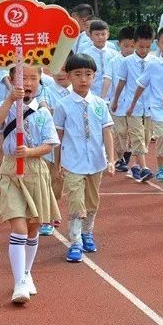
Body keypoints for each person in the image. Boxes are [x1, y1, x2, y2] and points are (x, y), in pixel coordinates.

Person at [0, 64, 60, 304]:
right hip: (11, 171)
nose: (28, 83)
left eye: (33, 78)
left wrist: (30, 152)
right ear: (11, 81)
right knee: (18, 227)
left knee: (33, 228)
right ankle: (18, 281)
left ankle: (28, 273)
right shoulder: (7, 108)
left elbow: (50, 143)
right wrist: (10, 100)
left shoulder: (42, 111)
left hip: (35, 170)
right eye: (22, 78)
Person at [54, 54, 115, 263]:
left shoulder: (99, 104)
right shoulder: (63, 105)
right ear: (69, 76)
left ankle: (88, 232)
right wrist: (58, 162)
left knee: (92, 201)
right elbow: (59, 136)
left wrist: (111, 159)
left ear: (94, 77)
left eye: (88, 74)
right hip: (73, 162)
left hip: (96, 162)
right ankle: (76, 241)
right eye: (77, 74)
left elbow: (107, 133)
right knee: (76, 202)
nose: (83, 79)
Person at [127, 26, 163, 190]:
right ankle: (159, 168)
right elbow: (141, 85)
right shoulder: (153, 64)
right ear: (158, 44)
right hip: (157, 110)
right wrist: (132, 103)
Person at [112, 24, 154, 181]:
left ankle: (136, 165)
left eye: (148, 47)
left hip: (150, 107)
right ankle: (144, 168)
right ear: (135, 43)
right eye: (141, 46)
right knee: (137, 136)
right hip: (132, 106)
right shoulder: (127, 62)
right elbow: (121, 83)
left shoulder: (154, 62)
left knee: (147, 136)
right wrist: (115, 100)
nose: (144, 50)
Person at [78, 19, 117, 98]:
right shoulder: (85, 54)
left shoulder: (114, 54)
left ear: (108, 35)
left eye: (103, 34)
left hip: (111, 95)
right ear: (91, 36)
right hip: (91, 94)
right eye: (96, 34)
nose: (100, 37)